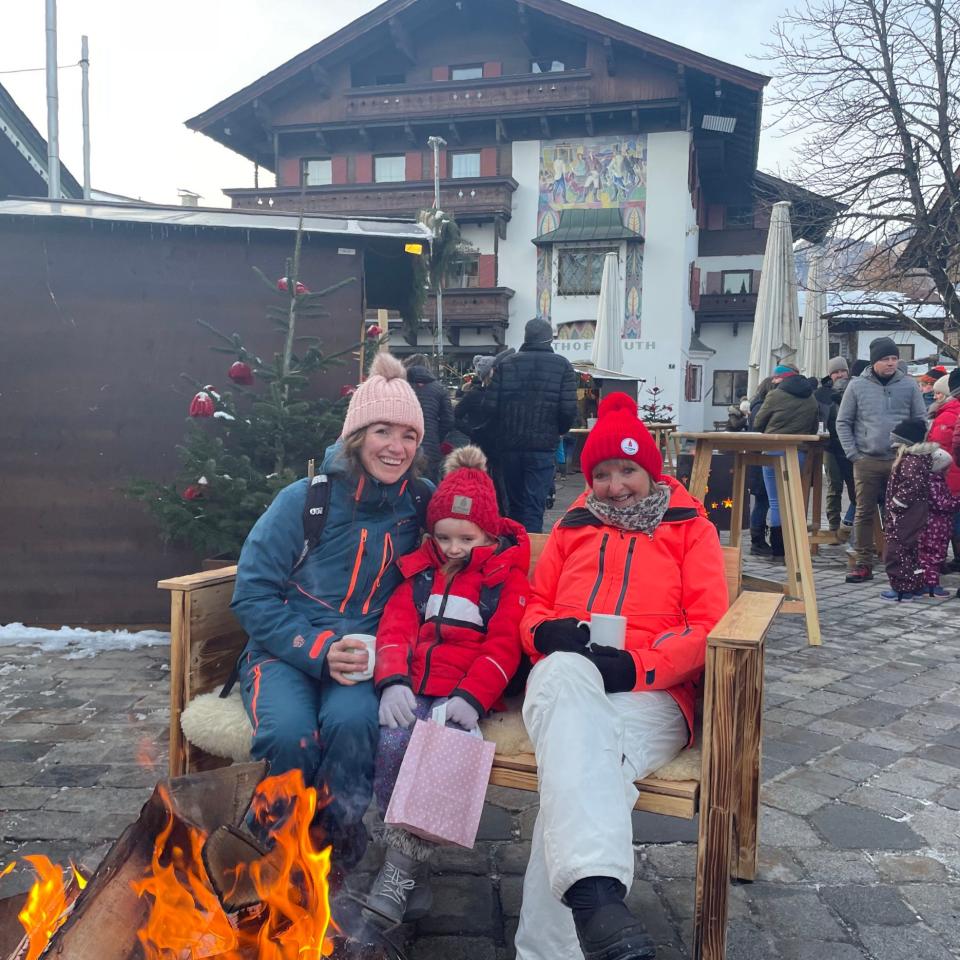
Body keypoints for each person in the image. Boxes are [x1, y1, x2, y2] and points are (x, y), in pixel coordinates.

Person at [512, 393, 727, 960]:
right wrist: (545, 634)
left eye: (627, 470)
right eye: (602, 473)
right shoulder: (572, 528)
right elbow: (532, 607)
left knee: (578, 777)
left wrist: (638, 665)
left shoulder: (691, 530)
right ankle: (598, 900)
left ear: (650, 471)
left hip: (653, 694)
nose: (614, 486)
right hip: (568, 686)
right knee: (562, 673)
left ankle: (572, 922)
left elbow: (709, 626)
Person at [230, 352, 430, 876]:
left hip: (366, 655)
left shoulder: (420, 504)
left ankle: (332, 847)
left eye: (409, 435)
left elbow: (477, 531)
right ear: (356, 437)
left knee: (353, 721)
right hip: (285, 652)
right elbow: (252, 592)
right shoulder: (304, 501)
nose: (397, 447)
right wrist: (317, 650)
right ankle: (271, 852)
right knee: (289, 735)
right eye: (382, 430)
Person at [363, 446, 529, 924]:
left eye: (466, 538)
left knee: (443, 755)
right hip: (414, 687)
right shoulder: (419, 576)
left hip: (461, 697)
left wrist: (472, 698)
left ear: (488, 533)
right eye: (444, 537)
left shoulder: (503, 581)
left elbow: (503, 647)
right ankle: (410, 867)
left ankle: (398, 873)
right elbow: (394, 629)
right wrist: (392, 680)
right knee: (390, 742)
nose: (454, 549)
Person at [836, 337, 926, 583]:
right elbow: (843, 421)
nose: (891, 363)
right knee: (864, 513)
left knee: (899, 514)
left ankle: (898, 564)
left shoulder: (909, 386)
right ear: (875, 361)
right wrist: (854, 454)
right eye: (886, 359)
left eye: (894, 358)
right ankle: (863, 563)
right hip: (867, 459)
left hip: (900, 460)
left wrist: (911, 453)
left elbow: (920, 420)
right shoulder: (857, 386)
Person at [483, 318, 578, 533]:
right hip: (543, 447)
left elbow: (489, 408)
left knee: (513, 505)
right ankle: (530, 554)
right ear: (549, 339)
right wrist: (557, 431)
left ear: (526, 337)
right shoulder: (562, 365)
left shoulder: (507, 364)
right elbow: (568, 410)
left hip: (510, 446)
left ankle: (513, 550)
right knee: (534, 506)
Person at [881, 418, 956, 601]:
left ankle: (902, 588)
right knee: (912, 550)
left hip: (905, 513)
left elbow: (911, 486)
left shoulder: (910, 461)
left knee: (897, 549)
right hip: (913, 513)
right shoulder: (917, 460)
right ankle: (914, 584)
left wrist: (896, 504)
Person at [753, 364, 819, 561]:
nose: (773, 381)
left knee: (776, 501)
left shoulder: (775, 395)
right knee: (793, 500)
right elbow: (814, 427)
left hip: (773, 450)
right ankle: (795, 547)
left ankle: (779, 550)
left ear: (782, 378)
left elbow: (758, 423)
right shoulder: (811, 396)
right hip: (799, 453)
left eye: (775, 378)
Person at [815, 356, 856, 539]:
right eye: (836, 372)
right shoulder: (822, 393)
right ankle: (833, 525)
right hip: (831, 446)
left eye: (842, 371)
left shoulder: (856, 388)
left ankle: (857, 526)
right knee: (834, 485)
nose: (839, 374)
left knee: (855, 486)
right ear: (830, 374)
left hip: (852, 446)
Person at [404, 354, 454, 482]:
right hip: (431, 448)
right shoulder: (439, 388)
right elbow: (448, 421)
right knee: (429, 487)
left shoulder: (401, 386)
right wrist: (436, 437)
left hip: (403, 445)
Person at [929, 369, 960, 571]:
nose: (934, 396)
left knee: (952, 522)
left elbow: (937, 448)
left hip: (950, 476)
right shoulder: (944, 413)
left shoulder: (947, 415)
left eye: (939, 393)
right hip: (952, 474)